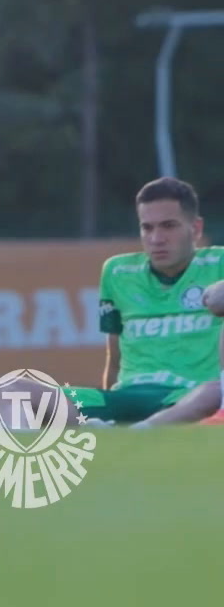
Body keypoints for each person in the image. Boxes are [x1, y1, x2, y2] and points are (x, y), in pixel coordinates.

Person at [61, 178, 224, 425]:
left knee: (216, 390)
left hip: (189, 396)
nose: (157, 239)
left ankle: (140, 433)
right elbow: (114, 357)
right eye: (147, 228)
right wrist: (110, 403)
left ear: (196, 229)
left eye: (169, 226)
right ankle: (100, 430)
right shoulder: (117, 271)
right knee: (13, 390)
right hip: (127, 395)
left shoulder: (218, 263)